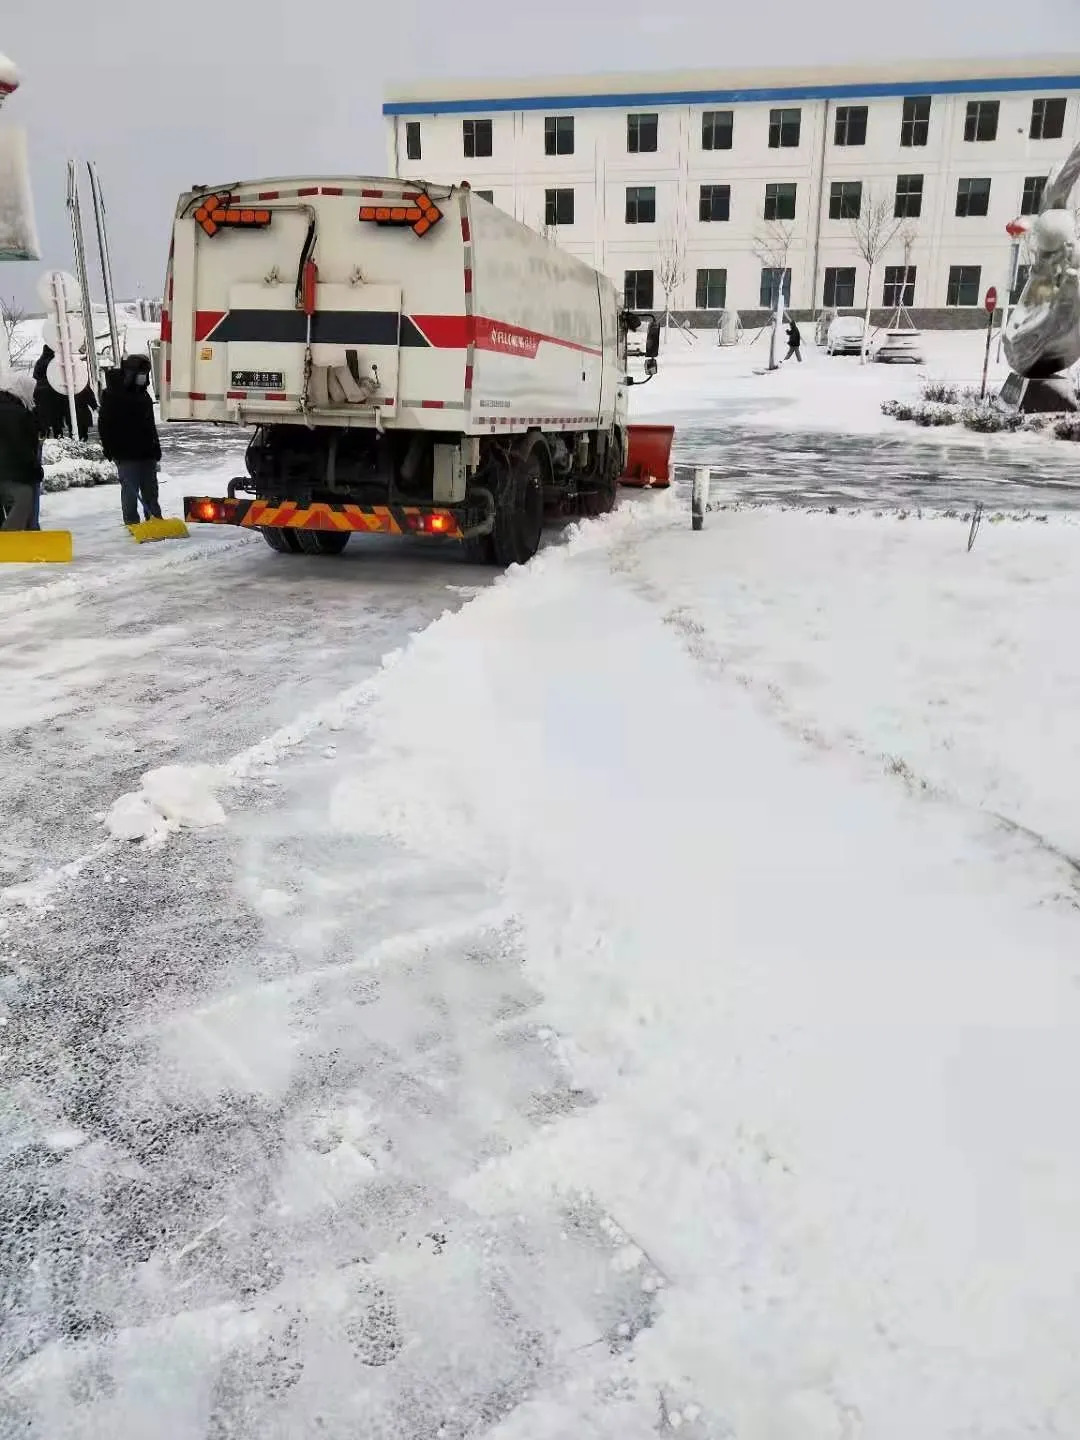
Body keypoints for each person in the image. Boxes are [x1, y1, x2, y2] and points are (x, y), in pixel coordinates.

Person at [97, 355, 163, 526]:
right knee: (130, 491)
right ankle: (132, 522)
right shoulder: (113, 395)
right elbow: (104, 425)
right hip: (125, 453)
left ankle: (155, 519)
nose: (144, 377)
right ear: (131, 373)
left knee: (151, 489)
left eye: (146, 373)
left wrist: (156, 446)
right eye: (141, 373)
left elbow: (149, 424)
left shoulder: (143, 394)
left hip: (147, 451)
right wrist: (109, 449)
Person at [0, 371, 44, 531]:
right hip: (11, 474)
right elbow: (23, 449)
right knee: (24, 496)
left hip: (6, 473)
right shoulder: (19, 414)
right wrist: (35, 471)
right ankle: (10, 541)